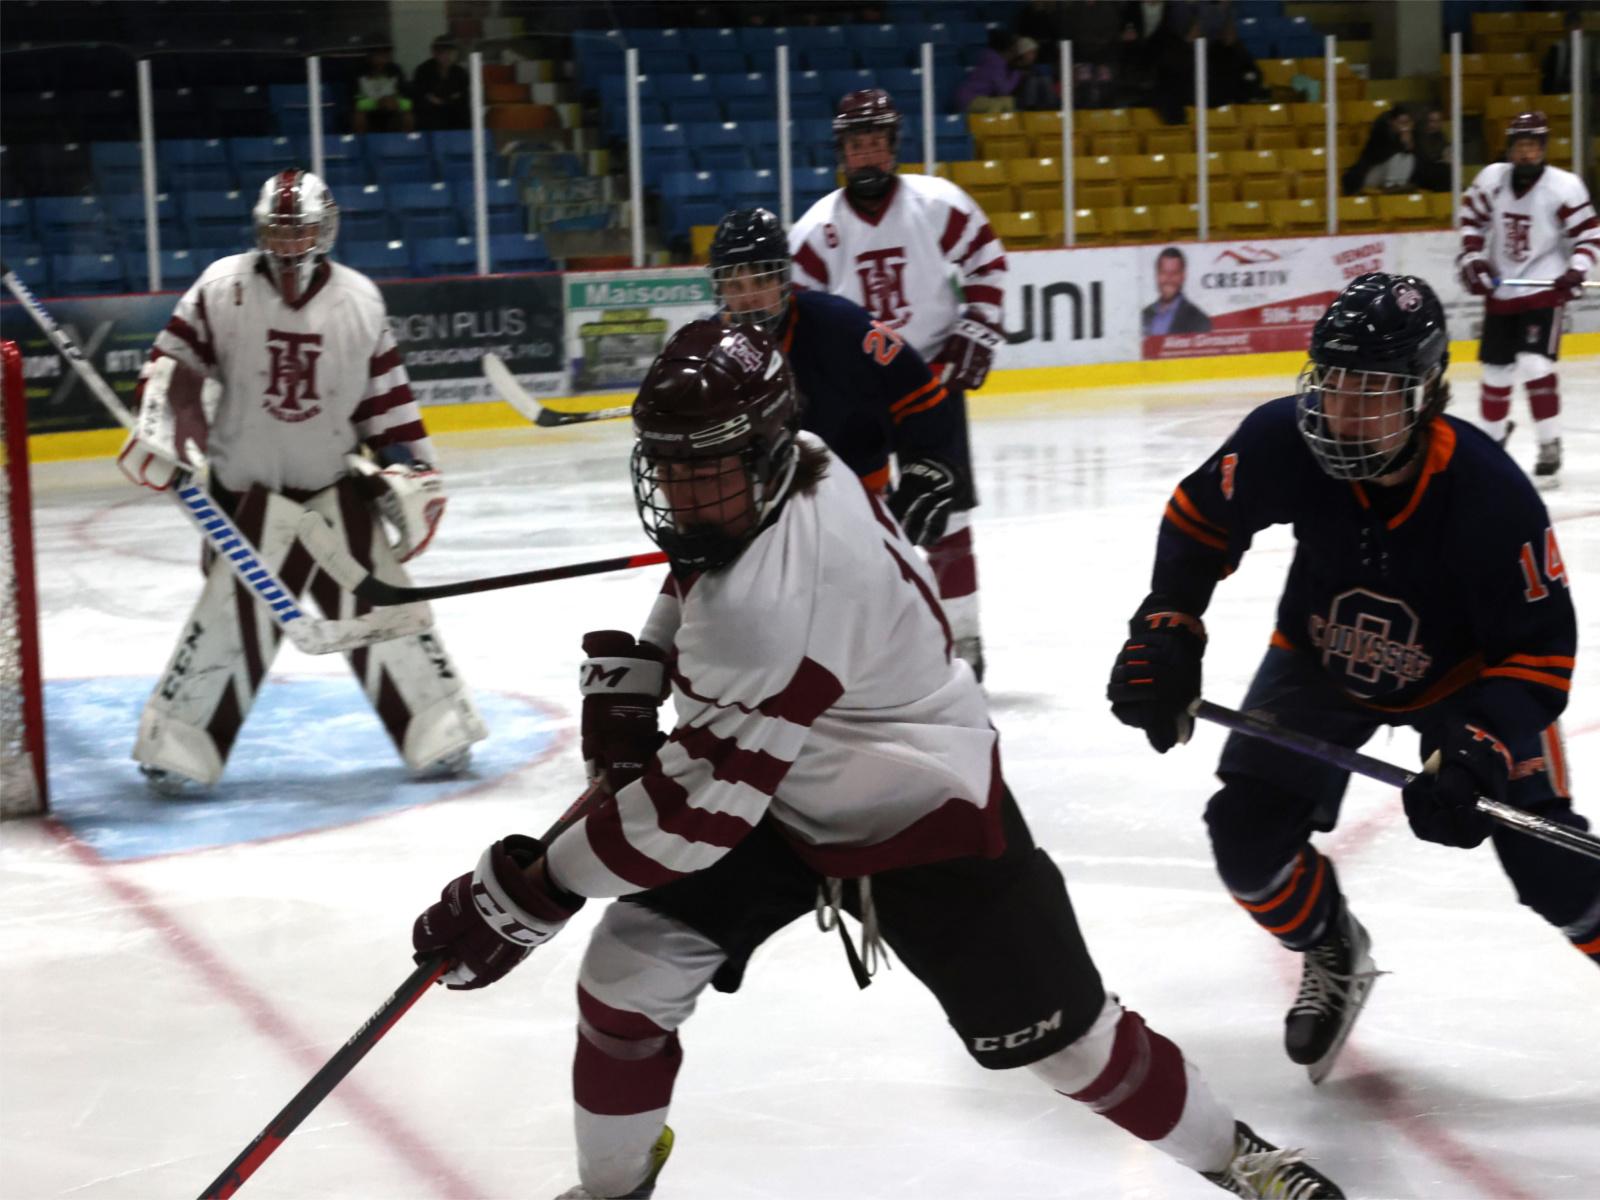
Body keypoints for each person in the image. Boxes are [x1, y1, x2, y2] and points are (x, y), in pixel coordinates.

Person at [410, 319, 1346, 1200]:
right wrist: (649, 664)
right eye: (669, 467)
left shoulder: (771, 607)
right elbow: (698, 573)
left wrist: (534, 891)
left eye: (706, 470)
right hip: (784, 783)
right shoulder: (796, 465)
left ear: (762, 454)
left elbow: (692, 821)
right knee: (627, 977)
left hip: (918, 811)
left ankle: (1240, 1159)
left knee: (1071, 1047)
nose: (683, 494)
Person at [1107, 273, 1600, 1089]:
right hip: (1319, 658)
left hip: (1467, 685)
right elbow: (1199, 521)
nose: (1343, 413)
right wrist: (1169, 624)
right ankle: (1332, 946)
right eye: (1333, 385)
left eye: (1371, 395)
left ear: (1426, 394)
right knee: (1246, 842)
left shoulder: (1490, 496)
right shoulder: (1284, 441)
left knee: (1556, 870)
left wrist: (1479, 749)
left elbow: (1539, 653)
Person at [116, 169, 486, 793]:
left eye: (301, 231)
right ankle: (177, 747)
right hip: (243, 495)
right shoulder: (221, 286)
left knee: (384, 612)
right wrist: (168, 423)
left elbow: (386, 402)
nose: (289, 244)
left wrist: (411, 468)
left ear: (326, 230)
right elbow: (173, 365)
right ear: (261, 231)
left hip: (331, 487)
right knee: (229, 624)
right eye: (280, 232)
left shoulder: (360, 300)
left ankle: (440, 727)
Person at [789, 89, 1002, 680]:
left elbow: (986, 260)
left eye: (877, 143)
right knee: (858, 523)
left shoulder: (937, 205)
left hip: (931, 384)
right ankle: (876, 650)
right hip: (859, 396)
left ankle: (964, 639)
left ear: (892, 147)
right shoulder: (816, 231)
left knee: (948, 518)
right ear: (842, 153)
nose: (868, 155)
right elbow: (797, 315)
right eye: (857, 145)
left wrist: (977, 330)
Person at [709, 206, 974, 599]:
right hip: (755, 527)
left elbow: (921, 393)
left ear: (784, 279)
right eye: (734, 284)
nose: (748, 298)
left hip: (857, 517)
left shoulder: (841, 327)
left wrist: (930, 464)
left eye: (761, 279)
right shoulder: (705, 352)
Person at [1457, 110, 1598, 483]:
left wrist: (1576, 270)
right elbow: (1471, 221)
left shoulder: (1564, 187)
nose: (1526, 153)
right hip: (1503, 289)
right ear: (1510, 148)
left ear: (1544, 148)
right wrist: (1472, 258)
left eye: (1533, 146)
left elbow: (1588, 236)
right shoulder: (1492, 179)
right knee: (1495, 371)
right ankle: (1492, 441)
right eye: (1520, 145)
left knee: (1534, 364)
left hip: (1544, 288)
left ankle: (1549, 442)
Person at [1341, 106, 1420, 196]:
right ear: (1392, 122)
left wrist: (1408, 144)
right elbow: (1382, 155)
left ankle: (1399, 184)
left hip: (1385, 175)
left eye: (1407, 123)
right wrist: (1402, 143)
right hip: (1369, 174)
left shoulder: (1410, 133)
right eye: (1401, 123)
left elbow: (1413, 155)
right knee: (1397, 157)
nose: (1404, 127)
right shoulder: (1381, 132)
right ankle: (1391, 185)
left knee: (1409, 157)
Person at [1142, 246, 1212, 335]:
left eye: (1174, 273)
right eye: (1164, 272)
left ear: (1183, 276)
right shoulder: (1144, 315)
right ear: (1157, 275)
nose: (1169, 278)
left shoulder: (1199, 320)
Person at [352, 45, 414, 134]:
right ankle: (361, 140)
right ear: (371, 56)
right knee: (358, 114)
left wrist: (395, 101)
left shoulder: (395, 70)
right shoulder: (360, 71)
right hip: (368, 105)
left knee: (407, 113)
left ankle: (406, 139)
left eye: (385, 55)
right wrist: (376, 102)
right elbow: (355, 97)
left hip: (391, 103)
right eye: (378, 55)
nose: (382, 58)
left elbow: (405, 96)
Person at [412, 36, 470, 131]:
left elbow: (463, 97)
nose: (448, 56)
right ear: (435, 53)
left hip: (455, 118)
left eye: (451, 52)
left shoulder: (460, 73)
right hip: (430, 118)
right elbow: (421, 96)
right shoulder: (423, 70)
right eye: (443, 52)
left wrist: (447, 100)